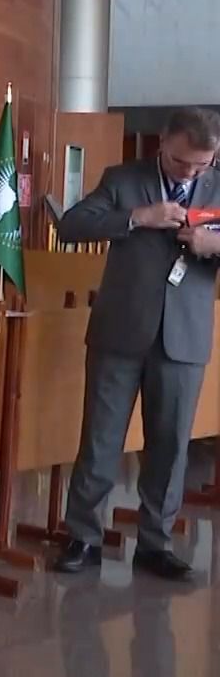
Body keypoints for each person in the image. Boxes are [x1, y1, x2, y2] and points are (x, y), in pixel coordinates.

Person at [50, 106, 220, 581]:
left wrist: (212, 245)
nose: (189, 173)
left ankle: (155, 544)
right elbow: (71, 225)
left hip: (184, 339)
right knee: (100, 440)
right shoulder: (123, 179)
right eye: (181, 161)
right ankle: (84, 537)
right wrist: (137, 217)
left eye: (201, 165)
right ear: (162, 142)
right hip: (119, 333)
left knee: (170, 446)